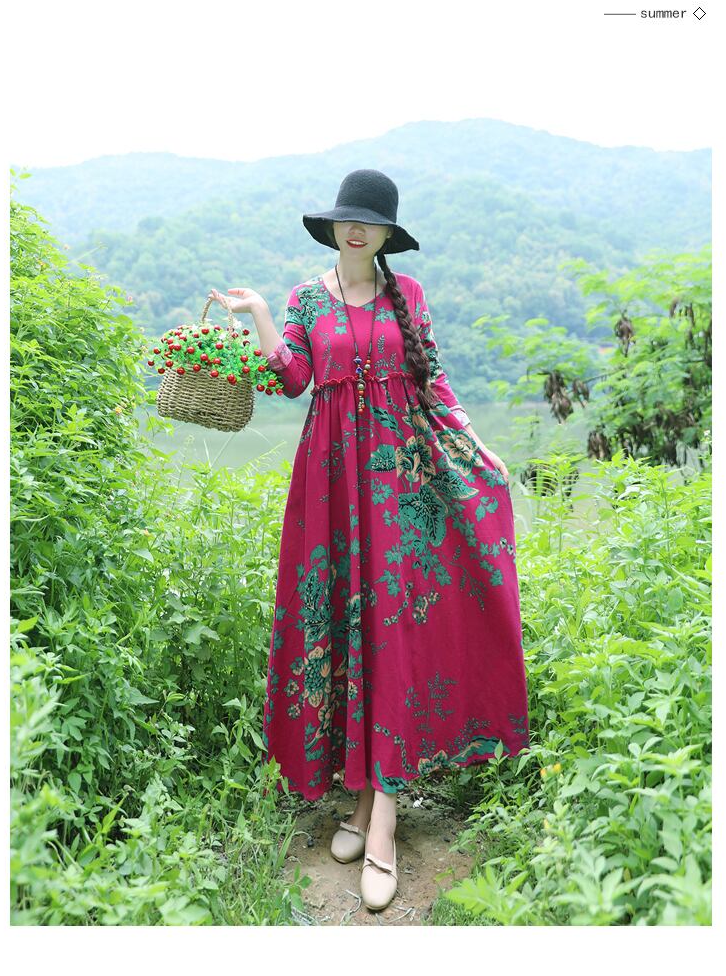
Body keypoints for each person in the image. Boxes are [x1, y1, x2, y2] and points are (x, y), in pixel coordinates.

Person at [210, 168, 529, 913]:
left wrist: (476, 443)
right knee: (346, 630)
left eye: (371, 221)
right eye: (347, 218)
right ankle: (360, 797)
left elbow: (433, 382)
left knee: (393, 635)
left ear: (387, 234)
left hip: (399, 483)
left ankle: (381, 821)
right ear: (332, 227)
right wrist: (261, 313)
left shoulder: (406, 295)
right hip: (328, 485)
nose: (357, 229)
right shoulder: (306, 299)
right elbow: (291, 378)